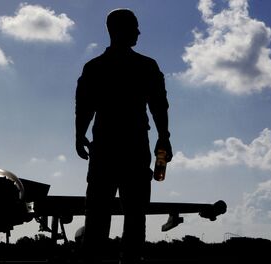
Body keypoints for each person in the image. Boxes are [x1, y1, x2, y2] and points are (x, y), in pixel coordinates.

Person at [75, 9, 173, 264]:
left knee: (99, 210)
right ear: (119, 30)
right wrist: (164, 137)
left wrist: (79, 134)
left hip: (106, 147)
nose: (139, 32)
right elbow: (159, 106)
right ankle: (129, 258)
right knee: (134, 211)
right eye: (135, 27)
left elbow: (84, 105)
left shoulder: (95, 67)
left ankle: (95, 258)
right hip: (132, 146)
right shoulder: (145, 66)